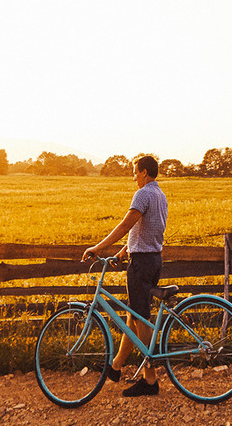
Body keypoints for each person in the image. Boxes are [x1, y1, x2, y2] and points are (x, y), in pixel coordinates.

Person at [83, 155, 168, 398]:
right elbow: (147, 229)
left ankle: (150, 380)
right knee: (134, 315)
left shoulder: (142, 194)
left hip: (141, 264)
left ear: (143, 172)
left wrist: (98, 248)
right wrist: (123, 252)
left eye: (134, 172)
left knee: (140, 317)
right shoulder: (160, 195)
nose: (133, 177)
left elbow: (126, 225)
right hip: (153, 260)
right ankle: (115, 366)